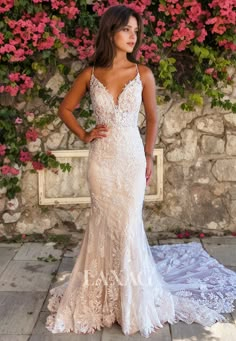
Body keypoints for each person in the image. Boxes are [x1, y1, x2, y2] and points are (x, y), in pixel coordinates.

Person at [46, 4, 236, 338]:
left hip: (132, 160)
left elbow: (152, 117)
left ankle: (132, 301)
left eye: (136, 31)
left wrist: (148, 156)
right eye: (127, 30)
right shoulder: (91, 74)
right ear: (111, 32)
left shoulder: (142, 73)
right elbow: (65, 108)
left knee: (129, 224)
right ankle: (103, 298)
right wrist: (84, 133)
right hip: (102, 162)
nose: (134, 36)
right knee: (103, 224)